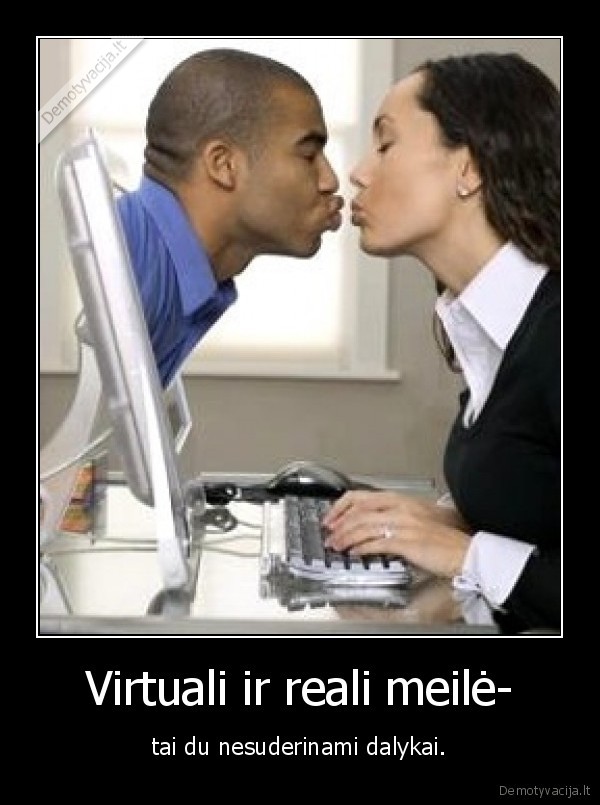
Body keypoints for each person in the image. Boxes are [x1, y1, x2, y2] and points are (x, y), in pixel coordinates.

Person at [323, 52, 560, 634]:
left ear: (468, 169)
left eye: (386, 144)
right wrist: (440, 521)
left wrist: (465, 554)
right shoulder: (492, 329)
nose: (358, 172)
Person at [117, 48, 344, 388]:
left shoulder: (173, 271)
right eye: (309, 155)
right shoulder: (128, 264)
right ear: (223, 165)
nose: (330, 181)